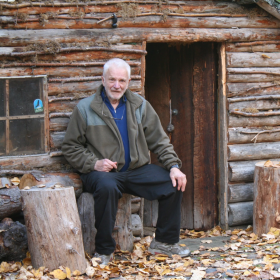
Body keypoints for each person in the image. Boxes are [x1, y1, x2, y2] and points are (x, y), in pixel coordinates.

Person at [62, 58, 189, 264]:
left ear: (128, 82)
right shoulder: (85, 108)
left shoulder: (140, 106)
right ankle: (104, 251)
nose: (116, 85)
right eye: (112, 79)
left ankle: (164, 242)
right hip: (102, 173)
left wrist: (174, 167)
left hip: (136, 170)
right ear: (103, 80)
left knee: (173, 184)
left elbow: (159, 141)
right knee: (107, 187)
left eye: (122, 80)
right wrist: (94, 164)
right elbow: (70, 147)